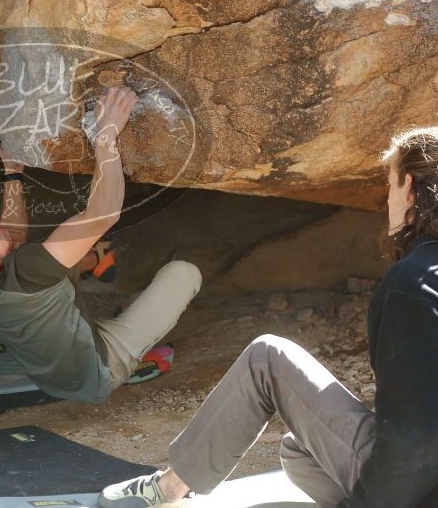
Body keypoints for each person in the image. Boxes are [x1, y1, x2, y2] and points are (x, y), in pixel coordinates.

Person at [98, 127, 438, 508]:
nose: (387, 200)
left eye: (389, 186)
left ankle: (168, 488)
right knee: (299, 450)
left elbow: (419, 439)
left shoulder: (412, 283)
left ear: (410, 188)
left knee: (267, 358)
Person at [0, 86, 202, 403]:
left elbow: (13, 235)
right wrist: (107, 133)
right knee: (184, 272)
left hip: (53, 378)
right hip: (100, 372)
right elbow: (102, 216)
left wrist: (12, 172)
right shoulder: (28, 271)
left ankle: (104, 287)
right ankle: (132, 360)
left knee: (65, 265)